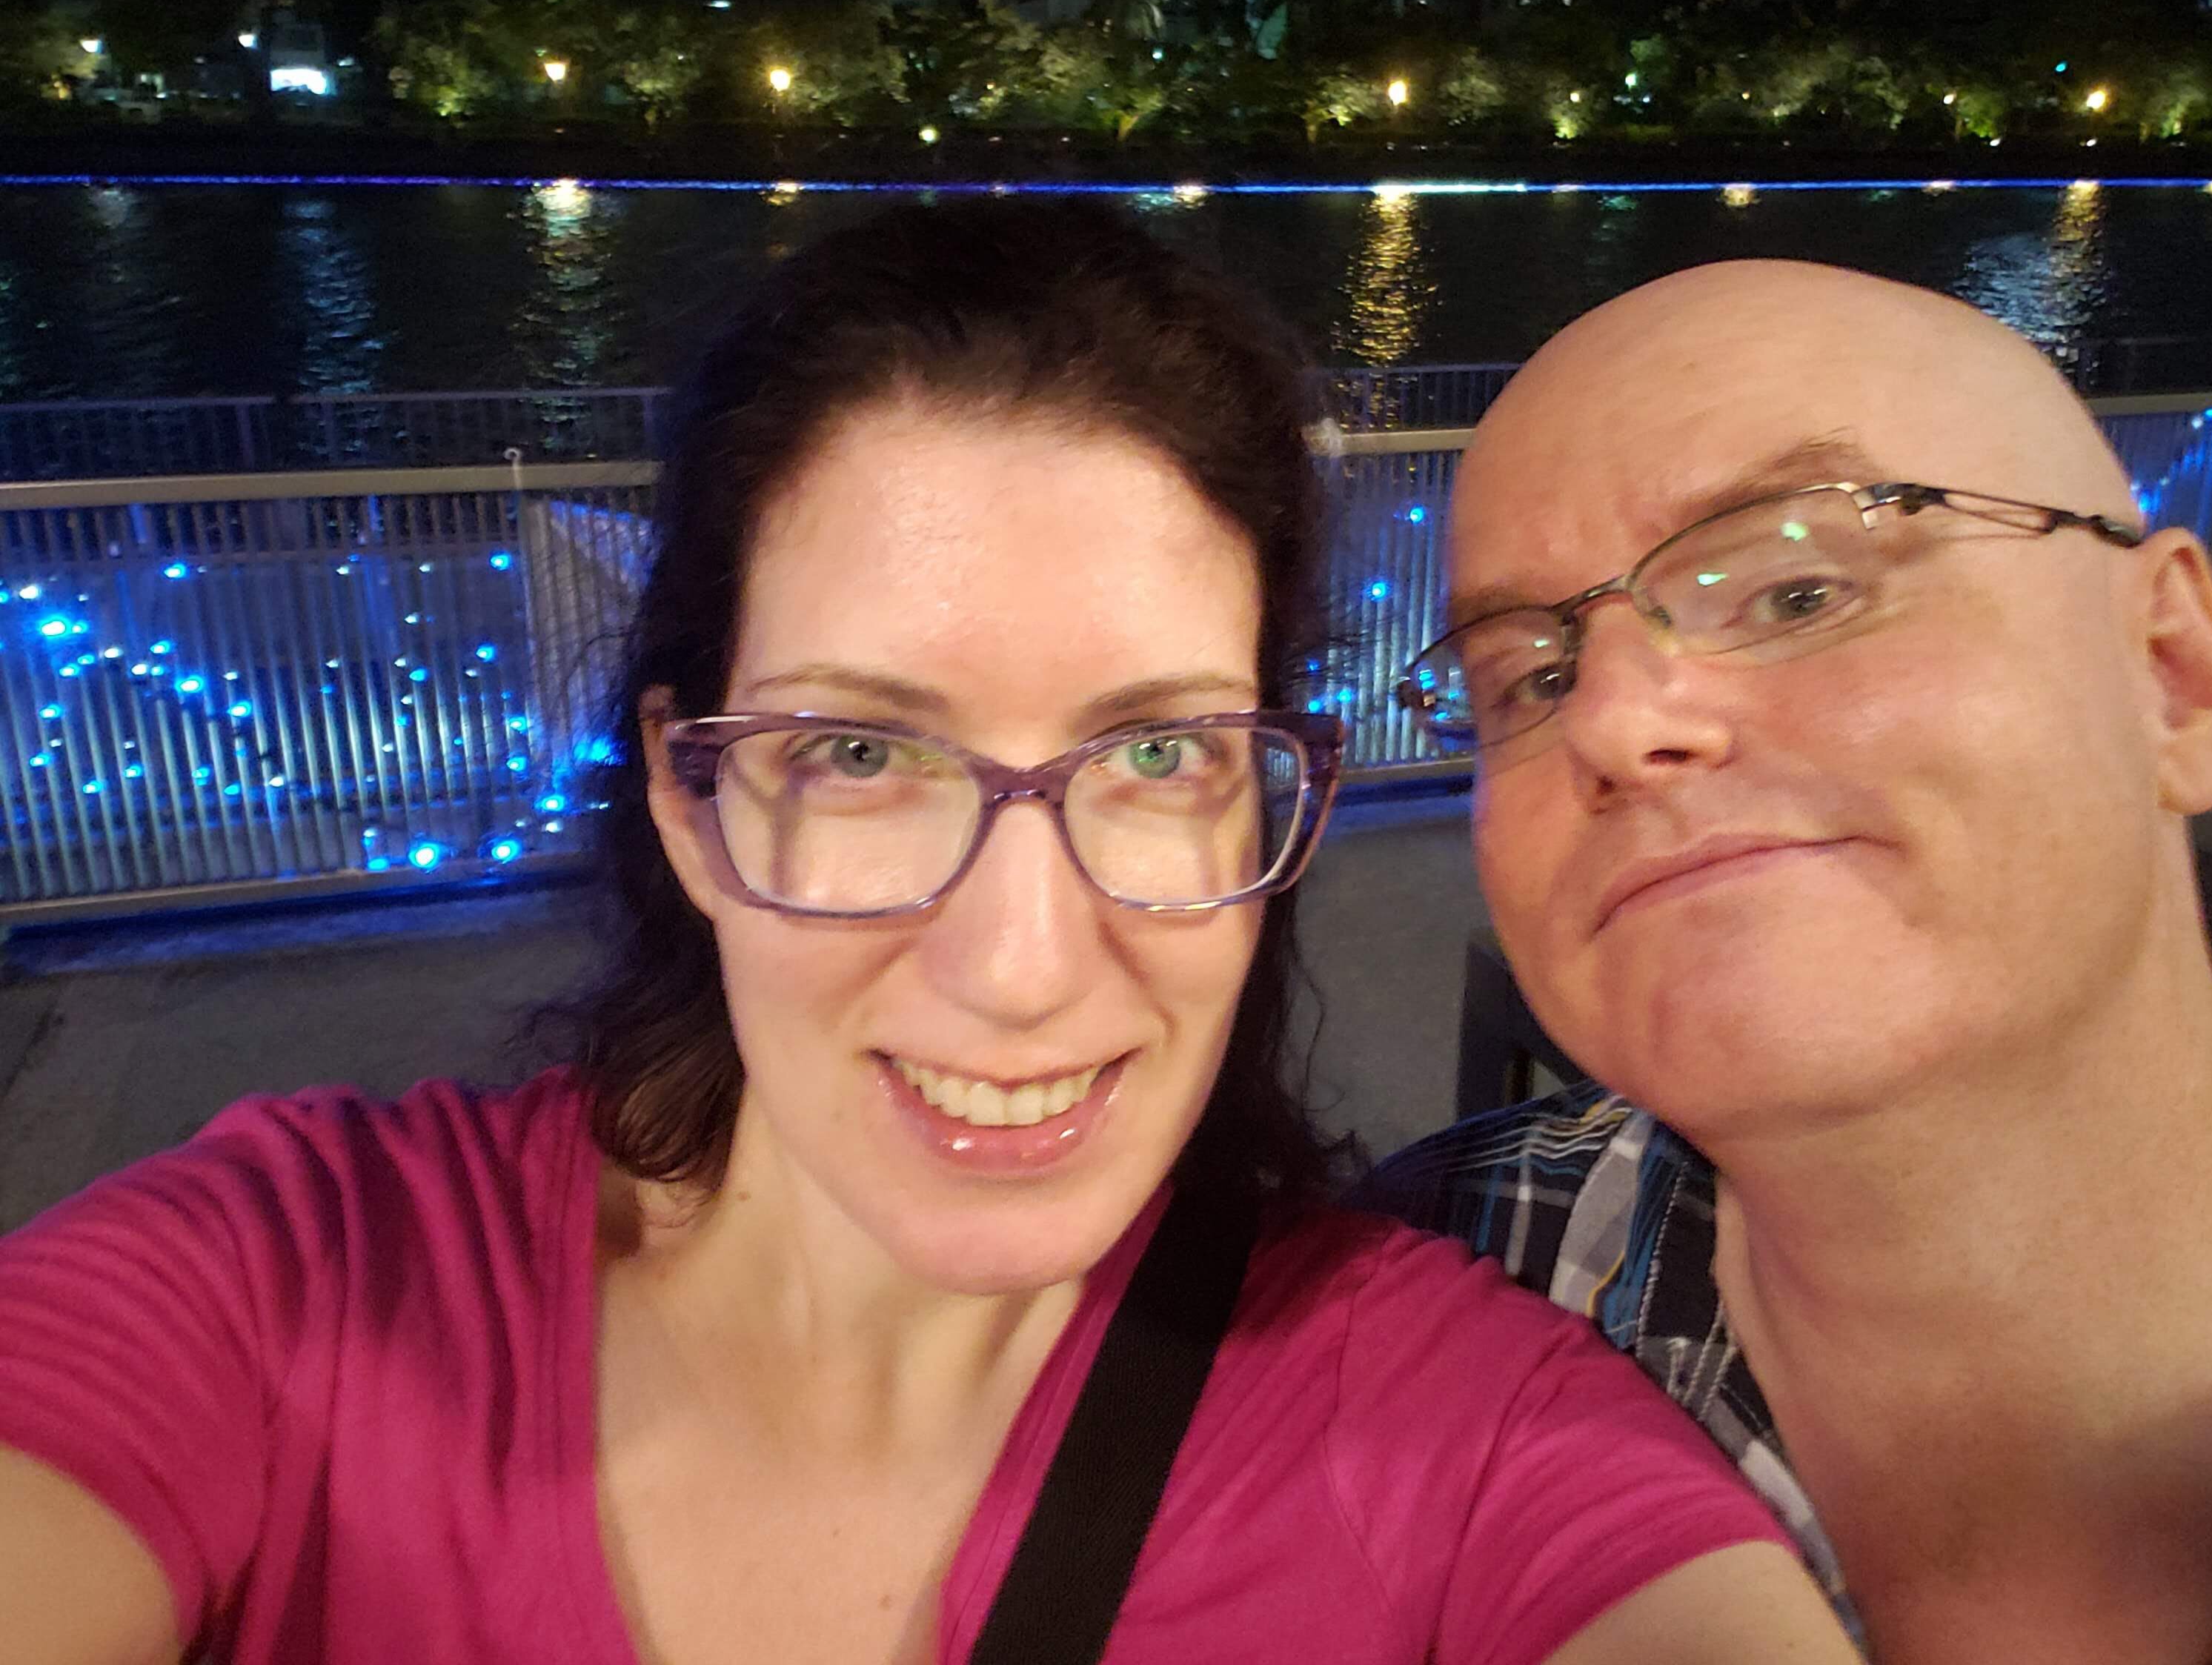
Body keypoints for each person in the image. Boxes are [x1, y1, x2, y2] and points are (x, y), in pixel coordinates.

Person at [0, 204, 1859, 1665]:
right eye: (864, 752)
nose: (1023, 965)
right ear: (689, 801)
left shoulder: (1466, 1439)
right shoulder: (285, 1295)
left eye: (1156, 753)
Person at [1361, 258, 2212, 1664]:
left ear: (2174, 675)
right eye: (1535, 679)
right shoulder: (1391, 1300)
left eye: (1797, 592)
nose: (1612, 722)